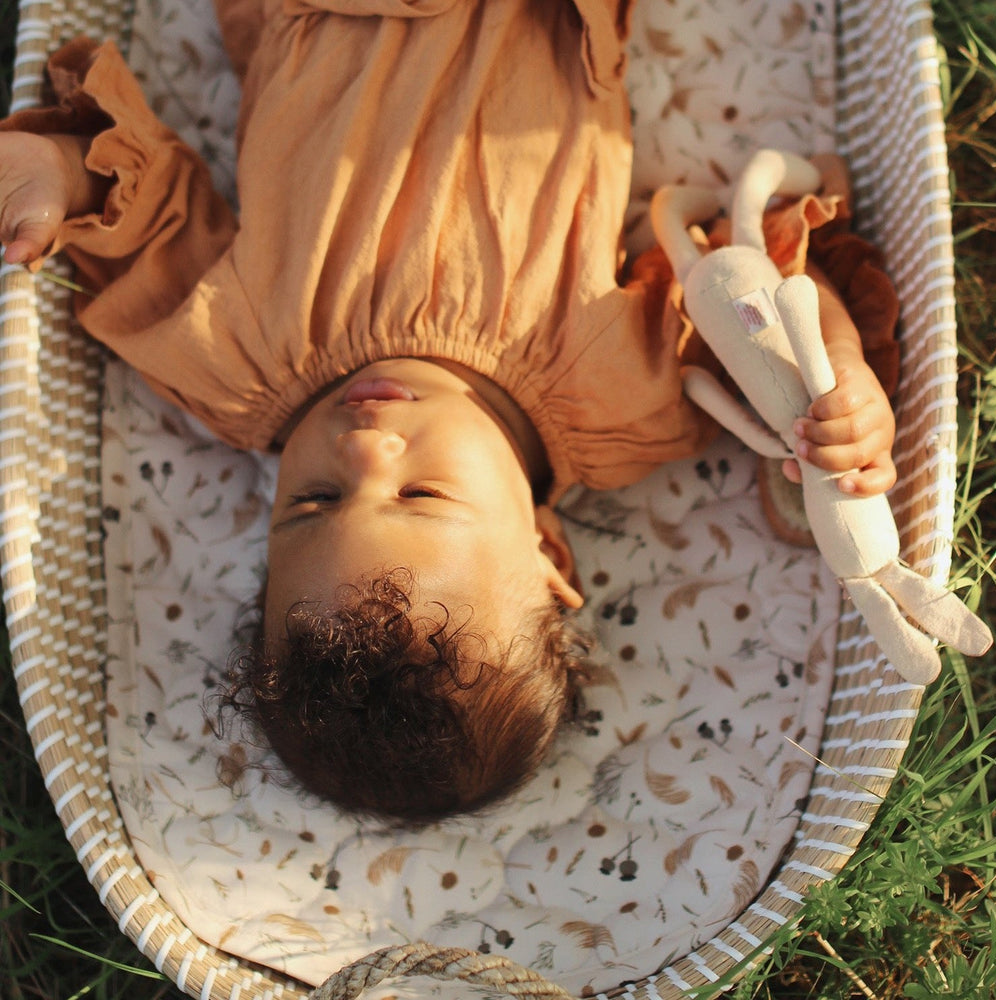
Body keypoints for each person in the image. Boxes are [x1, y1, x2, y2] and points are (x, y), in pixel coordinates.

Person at [0, 0, 898, 826]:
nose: (365, 446)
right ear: (546, 552)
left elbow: (140, 212)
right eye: (421, 495)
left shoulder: (232, 362)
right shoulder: (623, 399)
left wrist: (59, 171)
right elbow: (754, 285)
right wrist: (841, 380)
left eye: (309, 500)